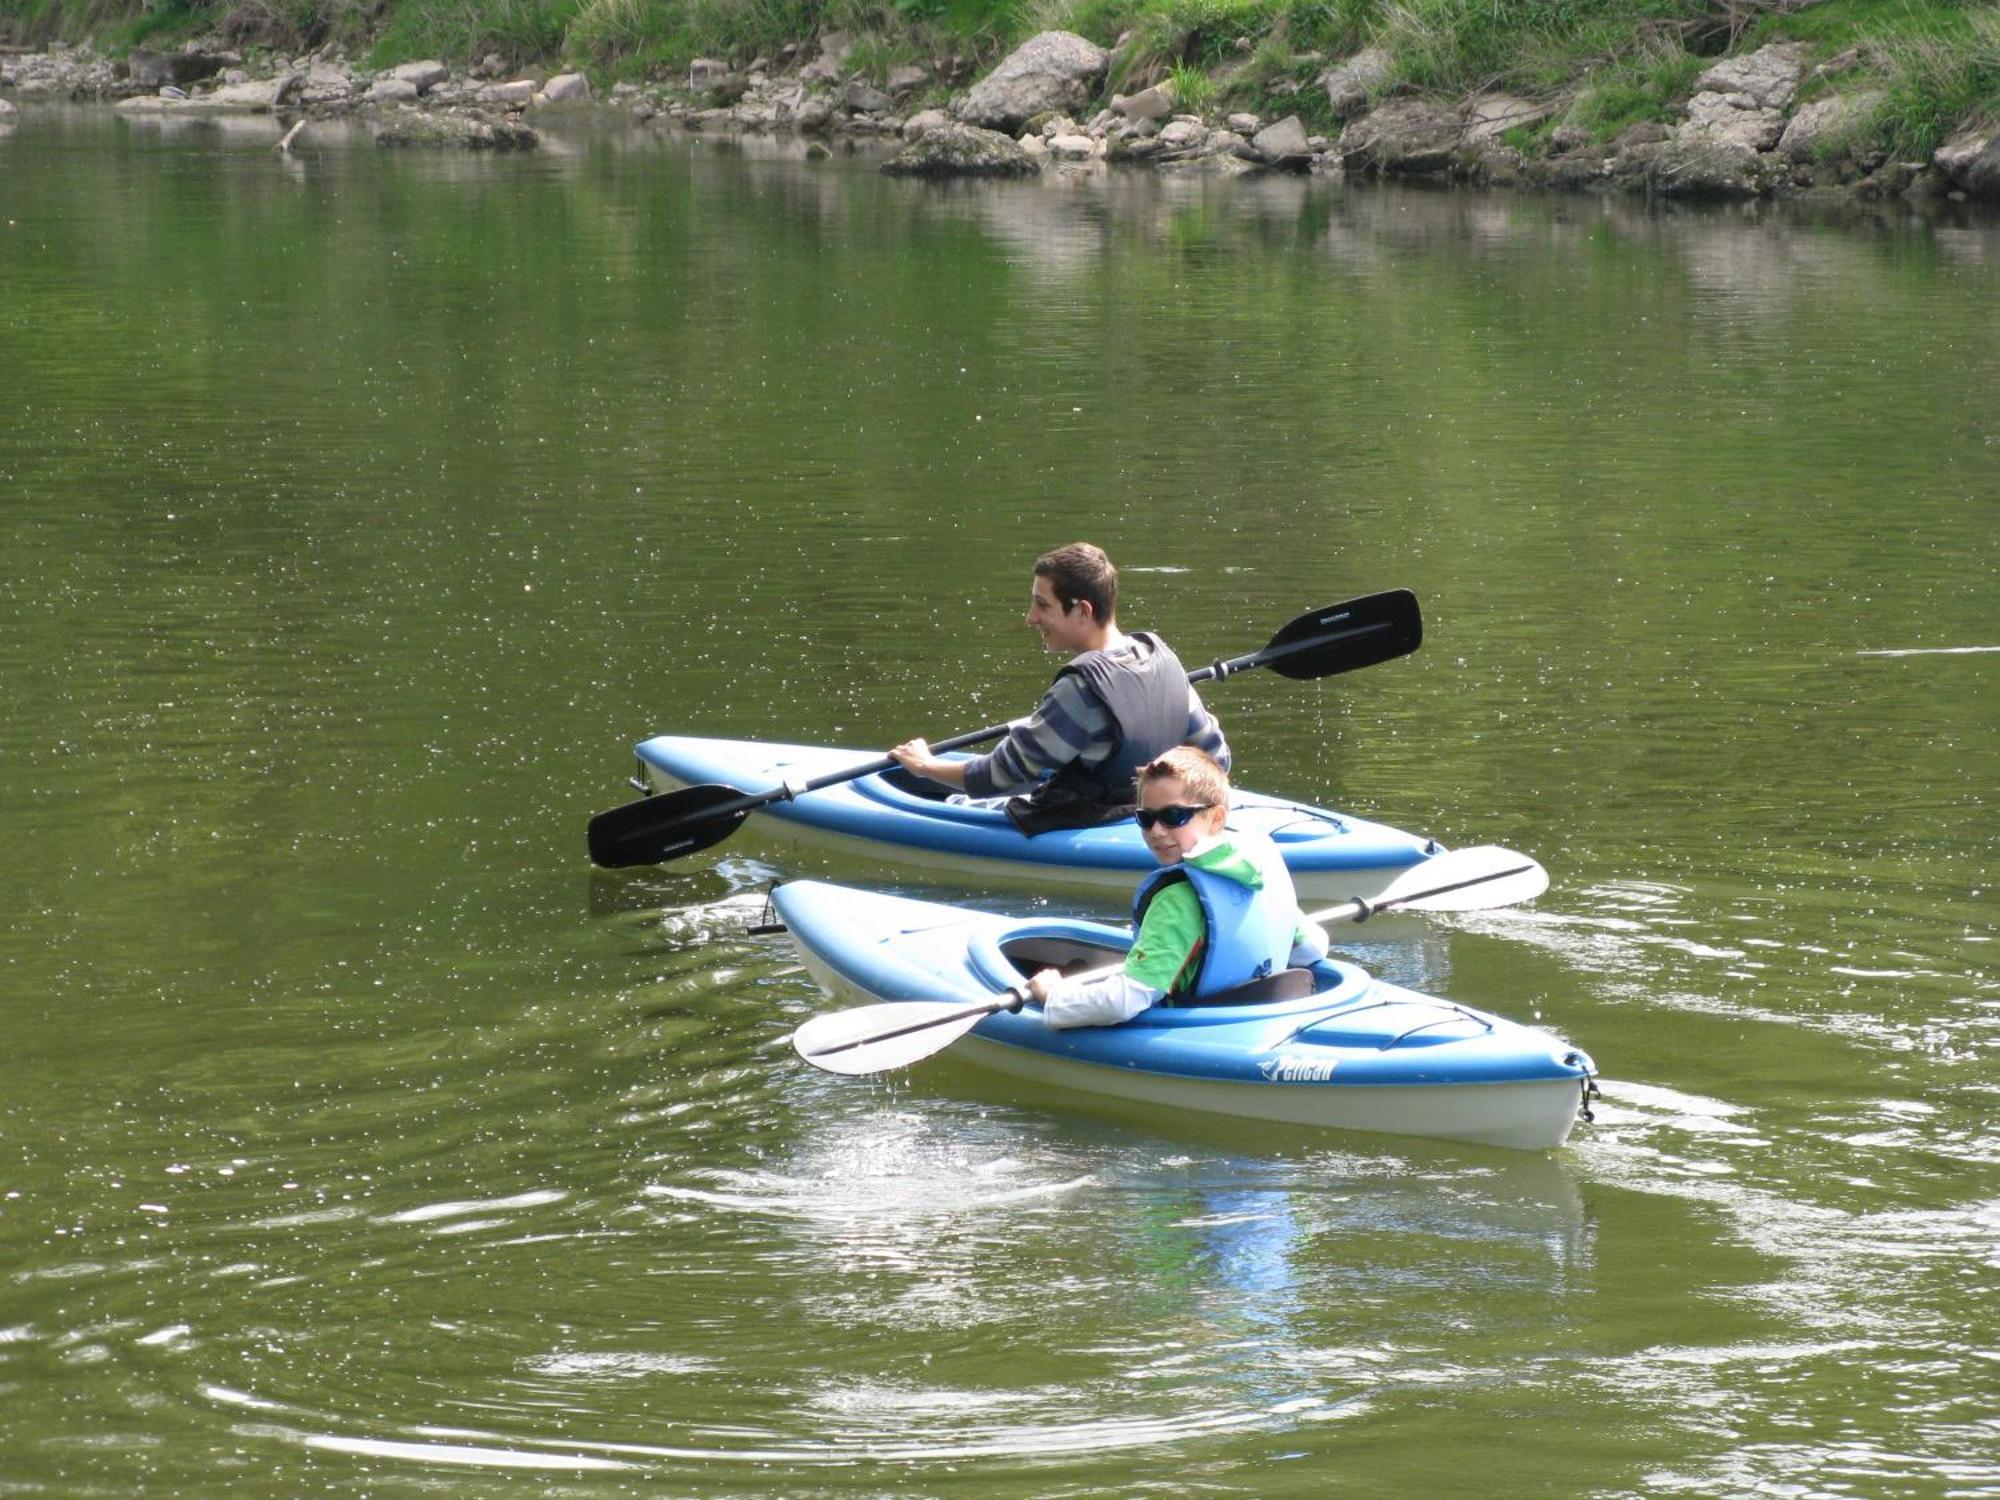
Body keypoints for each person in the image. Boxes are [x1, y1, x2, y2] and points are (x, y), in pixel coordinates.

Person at [889, 542, 1230, 835]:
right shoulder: (1162, 658)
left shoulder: (1079, 690)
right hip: (1149, 819)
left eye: (1042, 605)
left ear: (1082, 611)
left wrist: (924, 766)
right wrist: (1179, 812)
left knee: (955, 799)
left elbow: (1002, 775)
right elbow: (1217, 758)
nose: (1030, 618)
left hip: (1086, 824)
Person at [1026, 747, 1330, 1028]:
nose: (1157, 831)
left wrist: (1055, 996)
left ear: (1216, 818)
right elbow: (1312, 947)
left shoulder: (1176, 900)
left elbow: (1126, 1000)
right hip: (1263, 1017)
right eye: (1145, 818)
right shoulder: (1256, 868)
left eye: (1174, 816)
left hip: (1200, 1031)